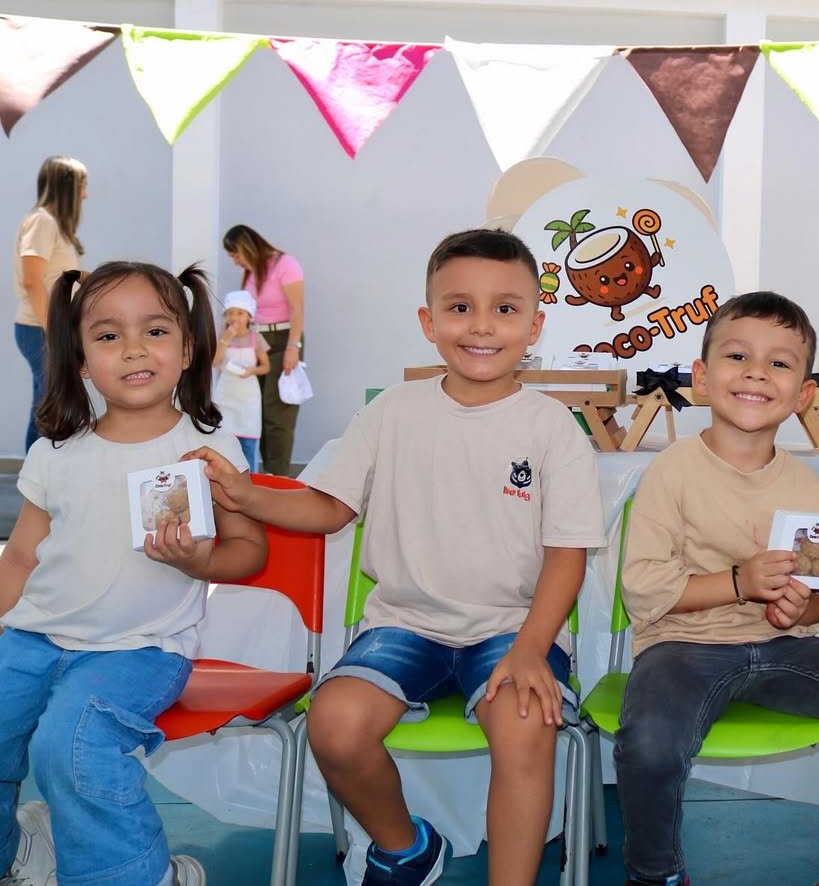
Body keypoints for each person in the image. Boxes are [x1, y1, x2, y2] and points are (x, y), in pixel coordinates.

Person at [186, 228, 607, 886]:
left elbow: (566, 556)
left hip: (513, 629)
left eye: (505, 308)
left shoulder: (554, 428)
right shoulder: (392, 412)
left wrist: (531, 649)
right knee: (334, 726)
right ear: (428, 322)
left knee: (525, 723)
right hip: (405, 626)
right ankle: (406, 848)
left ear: (534, 326)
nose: (482, 325)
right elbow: (328, 508)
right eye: (460, 307)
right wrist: (244, 493)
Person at [615, 291, 819, 886]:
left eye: (779, 363)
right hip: (683, 645)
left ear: (804, 394)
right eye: (737, 356)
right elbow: (643, 590)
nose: (756, 372)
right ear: (702, 377)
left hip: (789, 648)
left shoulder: (808, 487)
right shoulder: (671, 471)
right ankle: (656, 874)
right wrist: (739, 582)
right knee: (650, 739)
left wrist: (808, 605)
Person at [0, 261, 267, 886]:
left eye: (155, 330)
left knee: (71, 746)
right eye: (108, 335)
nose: (134, 349)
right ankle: (18, 855)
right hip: (34, 637)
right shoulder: (54, 452)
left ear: (187, 349)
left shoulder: (207, 449)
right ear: (80, 359)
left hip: (141, 649)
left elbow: (248, 549)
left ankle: (140, 876)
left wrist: (201, 562)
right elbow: (20, 557)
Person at [12, 155, 88, 452]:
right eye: (82, 186)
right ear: (67, 187)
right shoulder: (42, 222)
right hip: (39, 328)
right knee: (53, 406)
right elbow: (32, 281)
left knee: (45, 404)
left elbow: (54, 276)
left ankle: (37, 473)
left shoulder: (53, 225)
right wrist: (52, 331)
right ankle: (39, 474)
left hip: (46, 327)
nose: (85, 195)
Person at [222, 224, 304, 476]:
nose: (235, 261)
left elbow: (297, 308)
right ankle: (262, 474)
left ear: (247, 247)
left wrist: (293, 347)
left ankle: (278, 476)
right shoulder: (250, 273)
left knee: (277, 412)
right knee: (257, 409)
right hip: (255, 339)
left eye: (236, 255)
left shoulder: (286, 264)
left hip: (283, 339)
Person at [213, 289, 270, 473]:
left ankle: (250, 478)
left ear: (249, 316)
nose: (234, 317)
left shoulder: (256, 338)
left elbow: (266, 367)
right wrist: (226, 339)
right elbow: (215, 362)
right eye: (230, 313)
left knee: (248, 441)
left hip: (248, 398)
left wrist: (252, 370)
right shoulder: (222, 337)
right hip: (226, 395)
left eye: (240, 313)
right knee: (224, 439)